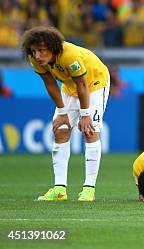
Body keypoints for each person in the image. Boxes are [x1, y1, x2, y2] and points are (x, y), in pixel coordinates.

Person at [22, 26, 110, 201]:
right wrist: (62, 112)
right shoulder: (35, 59)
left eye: (41, 50)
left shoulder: (69, 55)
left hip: (94, 84)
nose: (38, 55)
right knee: (60, 130)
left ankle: (89, 189)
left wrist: (85, 115)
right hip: (69, 88)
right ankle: (59, 189)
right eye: (34, 51)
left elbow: (83, 85)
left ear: (53, 48)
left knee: (90, 131)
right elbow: (50, 83)